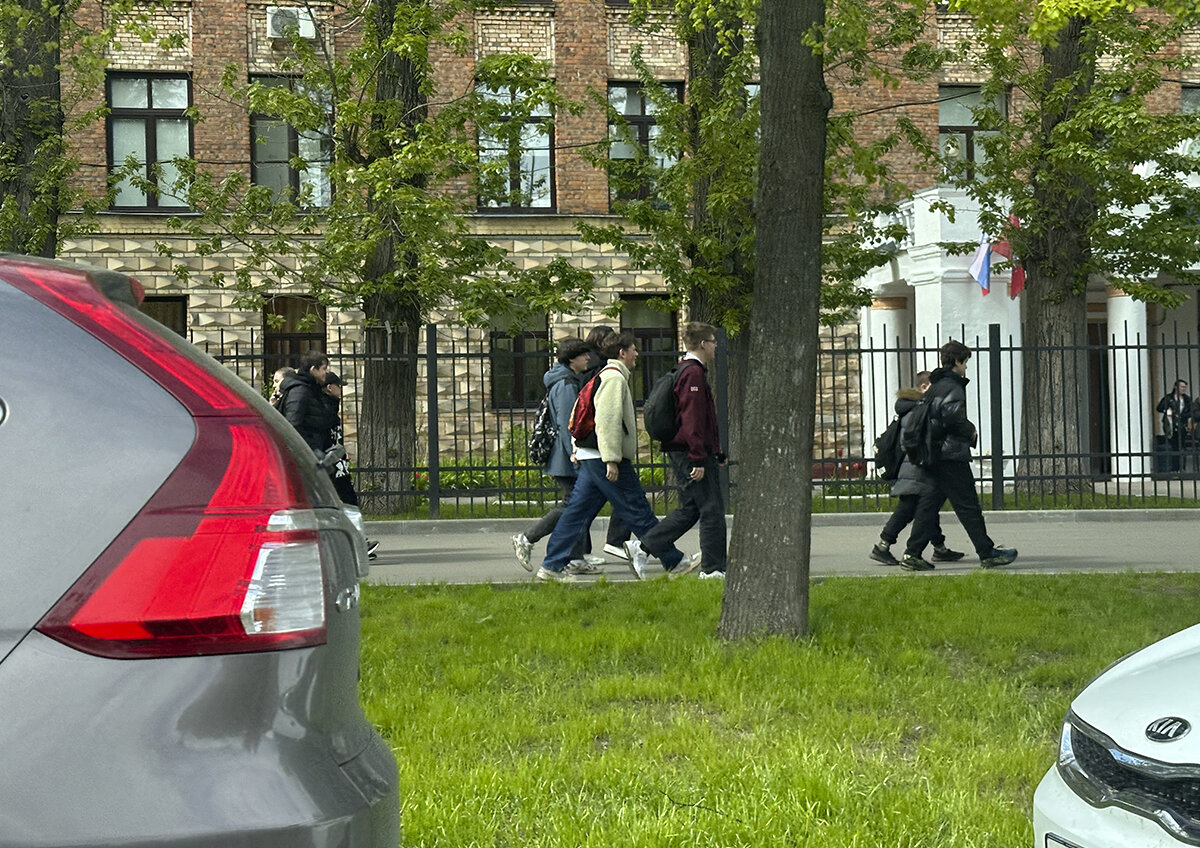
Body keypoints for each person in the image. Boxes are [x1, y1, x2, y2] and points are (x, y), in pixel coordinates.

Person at [535, 331, 700, 582]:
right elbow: (607, 420)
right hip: (605, 458)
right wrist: (611, 458)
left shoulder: (606, 375)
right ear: (622, 353)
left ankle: (552, 565)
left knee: (576, 512)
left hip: (593, 456)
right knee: (637, 508)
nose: (636, 354)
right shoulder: (614, 378)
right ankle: (673, 561)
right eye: (633, 349)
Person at [902, 341, 1018, 571]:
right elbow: (951, 417)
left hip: (934, 453)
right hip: (950, 454)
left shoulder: (935, 385)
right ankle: (987, 553)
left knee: (929, 504)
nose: (965, 367)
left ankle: (912, 553)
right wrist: (970, 430)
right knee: (968, 505)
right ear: (957, 361)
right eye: (965, 362)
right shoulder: (952, 386)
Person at [634, 322, 729, 579]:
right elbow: (693, 419)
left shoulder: (687, 371)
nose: (715, 345)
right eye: (712, 340)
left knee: (691, 508)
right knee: (711, 510)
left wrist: (715, 451)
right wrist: (699, 457)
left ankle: (643, 546)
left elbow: (702, 419)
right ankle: (713, 569)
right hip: (690, 453)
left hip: (687, 450)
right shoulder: (693, 374)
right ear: (702, 344)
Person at [511, 338, 605, 576]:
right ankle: (527, 537)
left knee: (578, 503)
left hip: (566, 456)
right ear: (572, 359)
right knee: (573, 505)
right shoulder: (565, 384)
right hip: (566, 458)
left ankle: (574, 558)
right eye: (584, 355)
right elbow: (567, 424)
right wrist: (575, 452)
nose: (588, 359)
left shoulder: (566, 379)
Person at [870, 371, 964, 566]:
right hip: (917, 467)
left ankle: (939, 547)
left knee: (927, 507)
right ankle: (882, 546)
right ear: (924, 388)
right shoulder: (917, 410)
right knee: (911, 509)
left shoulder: (913, 408)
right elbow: (913, 440)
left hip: (913, 466)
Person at [580, 325, 635, 561]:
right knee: (632, 501)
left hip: (589, 446)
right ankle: (669, 555)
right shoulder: (606, 373)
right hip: (597, 448)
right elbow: (608, 418)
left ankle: (566, 556)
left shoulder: (590, 369)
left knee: (579, 507)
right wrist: (611, 457)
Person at [322, 371, 379, 560]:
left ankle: (355, 543)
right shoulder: (325, 409)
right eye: (339, 386)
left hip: (337, 466)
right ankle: (357, 544)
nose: (341, 390)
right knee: (346, 504)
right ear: (330, 388)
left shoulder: (329, 407)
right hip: (333, 467)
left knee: (346, 504)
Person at [279, 350, 336, 456]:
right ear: (313, 369)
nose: (327, 372)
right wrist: (313, 451)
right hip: (306, 456)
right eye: (324, 368)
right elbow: (293, 425)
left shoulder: (312, 389)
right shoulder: (300, 391)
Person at [1158, 378, 1191, 473]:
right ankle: (1174, 469)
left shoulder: (1187, 399)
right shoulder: (1169, 398)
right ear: (1176, 387)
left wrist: (1182, 416)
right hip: (1171, 426)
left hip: (1182, 425)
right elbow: (1159, 408)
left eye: (1185, 387)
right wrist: (1167, 410)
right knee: (1173, 446)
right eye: (1182, 387)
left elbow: (1190, 412)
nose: (1183, 389)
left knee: (1182, 447)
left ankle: (1182, 468)